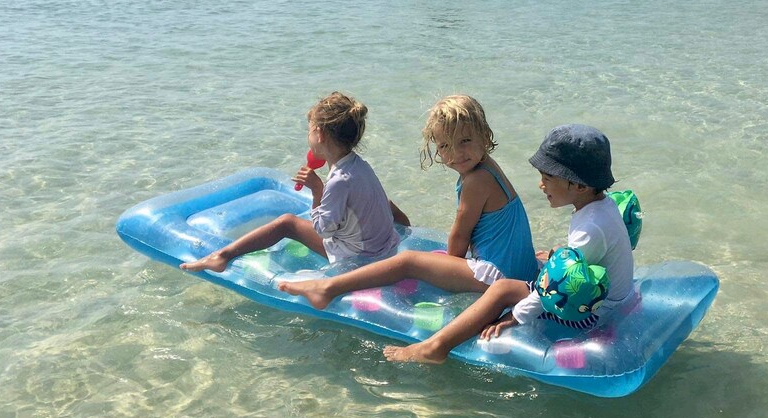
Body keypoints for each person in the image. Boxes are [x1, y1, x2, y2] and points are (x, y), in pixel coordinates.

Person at [383, 124, 634, 364]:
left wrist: (515, 315)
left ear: (579, 185)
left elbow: (557, 290)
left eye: (547, 177)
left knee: (502, 289)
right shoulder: (602, 208)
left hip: (592, 312)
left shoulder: (589, 229)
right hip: (612, 296)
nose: (541, 184)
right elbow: (590, 256)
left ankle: (435, 347)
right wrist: (562, 256)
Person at [278, 95, 537, 308]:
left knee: (408, 262)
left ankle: (327, 288)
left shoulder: (475, 182)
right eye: (445, 146)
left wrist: (444, 273)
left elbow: (460, 236)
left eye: (465, 141)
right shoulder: (489, 167)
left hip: (500, 278)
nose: (456, 153)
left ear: (484, 135)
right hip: (520, 270)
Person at [180, 92, 408, 273]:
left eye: (309, 131)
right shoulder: (361, 166)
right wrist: (404, 227)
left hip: (360, 259)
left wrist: (318, 191)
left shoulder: (338, 181)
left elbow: (324, 230)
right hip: (386, 248)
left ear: (319, 134)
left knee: (287, 223)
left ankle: (222, 257)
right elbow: (383, 203)